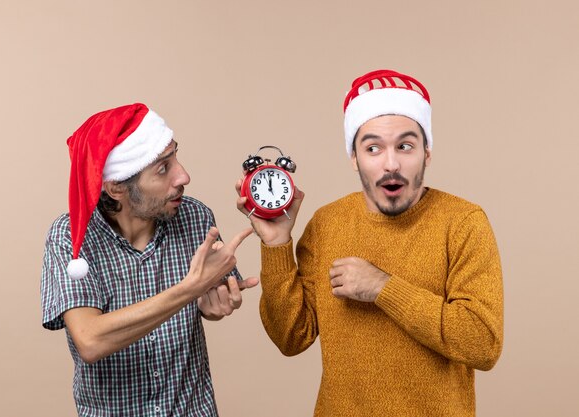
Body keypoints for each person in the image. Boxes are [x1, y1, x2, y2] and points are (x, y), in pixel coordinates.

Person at [236, 69, 503, 416]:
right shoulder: (327, 224)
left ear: (427, 152)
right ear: (354, 158)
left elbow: (482, 343)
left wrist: (383, 288)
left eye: (405, 146)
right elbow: (291, 337)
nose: (391, 163)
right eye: (373, 148)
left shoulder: (464, 222)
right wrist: (276, 245)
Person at [41, 103, 258, 417]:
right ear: (116, 187)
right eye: (162, 168)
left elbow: (213, 295)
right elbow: (90, 340)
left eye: (175, 158)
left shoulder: (195, 216)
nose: (183, 175)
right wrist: (188, 290)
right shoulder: (70, 237)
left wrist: (215, 302)